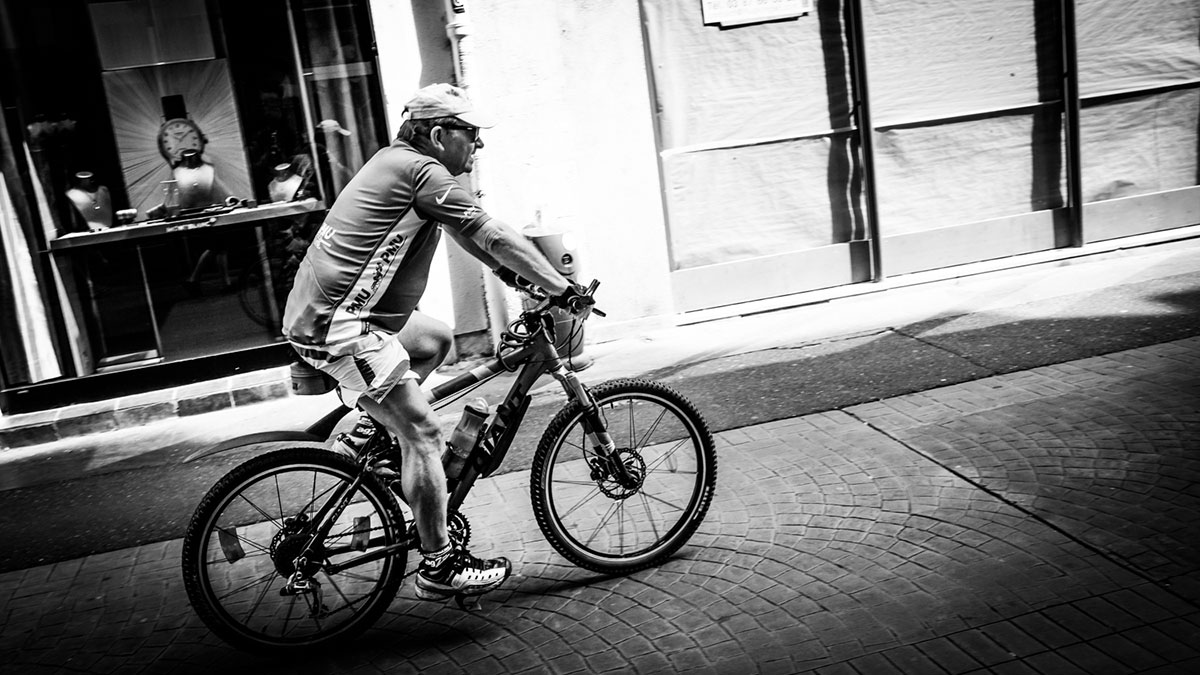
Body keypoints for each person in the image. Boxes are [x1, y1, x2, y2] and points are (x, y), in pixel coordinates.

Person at [281, 83, 589, 603]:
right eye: (471, 134)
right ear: (440, 134)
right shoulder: (422, 172)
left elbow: (468, 235)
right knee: (424, 432)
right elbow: (491, 233)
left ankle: (368, 433)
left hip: (336, 314)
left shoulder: (397, 162)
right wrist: (561, 287)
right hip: (343, 326)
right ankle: (439, 564)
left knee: (435, 341)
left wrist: (518, 280)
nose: (479, 146)